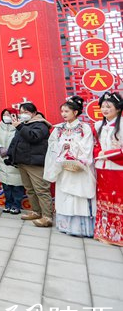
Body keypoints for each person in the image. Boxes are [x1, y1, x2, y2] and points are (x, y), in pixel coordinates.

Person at [44, 96, 95, 237]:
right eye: (62, 111)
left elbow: (87, 146)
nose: (63, 114)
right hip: (64, 168)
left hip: (79, 168)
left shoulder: (84, 128)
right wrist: (62, 148)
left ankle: (81, 228)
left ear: (76, 112)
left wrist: (72, 149)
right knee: (64, 195)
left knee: (78, 196)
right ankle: (64, 225)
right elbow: (52, 144)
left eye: (67, 111)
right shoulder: (59, 128)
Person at [8, 103, 53, 227]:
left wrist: (20, 126)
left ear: (34, 113)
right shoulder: (24, 125)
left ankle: (47, 216)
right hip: (23, 161)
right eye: (22, 112)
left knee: (41, 190)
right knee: (30, 190)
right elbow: (15, 142)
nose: (23, 114)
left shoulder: (41, 124)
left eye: (26, 112)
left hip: (35, 163)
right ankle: (36, 211)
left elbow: (33, 137)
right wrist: (11, 156)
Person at [94, 91, 123, 246]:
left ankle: (118, 235)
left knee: (119, 200)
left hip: (118, 168)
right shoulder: (99, 125)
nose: (104, 110)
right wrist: (100, 153)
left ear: (118, 108)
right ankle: (104, 232)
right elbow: (96, 146)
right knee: (104, 200)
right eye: (102, 107)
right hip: (102, 167)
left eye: (108, 106)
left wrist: (107, 154)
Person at [0, 109, 24, 214]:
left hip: (14, 159)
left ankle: (16, 205)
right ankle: (8, 204)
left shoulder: (20, 127)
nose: (6, 116)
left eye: (9, 114)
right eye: (4, 114)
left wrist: (10, 151)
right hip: (1, 159)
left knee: (17, 185)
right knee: (6, 185)